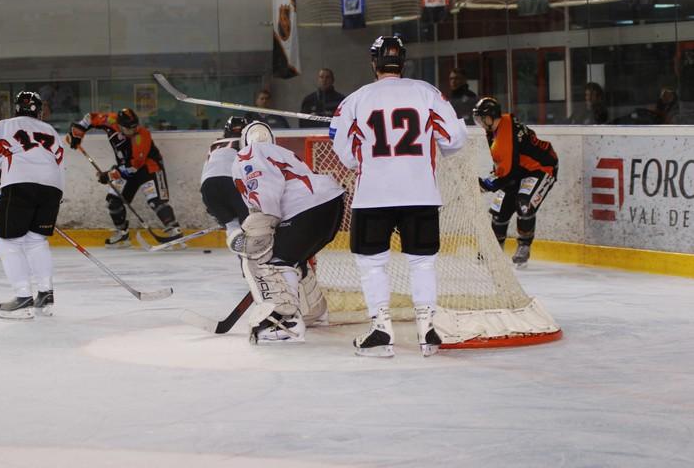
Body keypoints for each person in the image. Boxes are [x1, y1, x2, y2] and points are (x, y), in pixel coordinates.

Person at [329, 36, 468, 358]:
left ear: (373, 62)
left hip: (372, 195)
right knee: (422, 263)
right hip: (421, 193)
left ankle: (381, 331)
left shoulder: (355, 100)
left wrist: (368, 161)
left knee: (371, 264)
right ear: (403, 61)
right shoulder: (428, 93)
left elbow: (344, 152)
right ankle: (427, 331)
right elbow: (454, 139)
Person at [229, 121, 345, 344]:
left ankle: (284, 322)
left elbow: (263, 186)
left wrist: (260, 223)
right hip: (330, 206)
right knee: (293, 258)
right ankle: (314, 312)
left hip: (304, 209)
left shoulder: (249, 153)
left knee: (267, 259)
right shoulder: (283, 153)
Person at [0, 91, 66, 320]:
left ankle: (23, 297)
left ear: (17, 108)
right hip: (53, 188)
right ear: (40, 111)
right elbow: (59, 163)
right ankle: (45, 295)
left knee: (7, 242)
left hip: (19, 184)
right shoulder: (51, 131)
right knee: (36, 240)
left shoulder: (4, 126)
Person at [67, 108, 183, 247]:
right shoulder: (110, 120)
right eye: (129, 128)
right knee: (113, 201)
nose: (133, 131)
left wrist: (109, 175)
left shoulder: (142, 135)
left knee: (155, 201)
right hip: (124, 167)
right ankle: (122, 234)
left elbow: (134, 166)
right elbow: (90, 118)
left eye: (135, 127)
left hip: (148, 168)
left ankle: (174, 230)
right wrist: (78, 132)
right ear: (119, 125)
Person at [472, 96, 558, 267]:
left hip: (541, 168)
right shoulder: (496, 128)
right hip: (518, 170)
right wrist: (489, 182)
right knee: (499, 209)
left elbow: (506, 173)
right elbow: (505, 167)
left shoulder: (505, 133)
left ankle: (524, 245)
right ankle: (494, 248)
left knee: (524, 203)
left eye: (483, 118)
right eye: (478, 119)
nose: (480, 122)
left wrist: (487, 184)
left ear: (492, 117)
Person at [200, 116, 249, 237]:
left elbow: (206, 172)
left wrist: (210, 206)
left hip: (208, 187)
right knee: (249, 224)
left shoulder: (214, 145)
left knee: (232, 225)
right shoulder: (248, 143)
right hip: (232, 183)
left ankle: (233, 231)